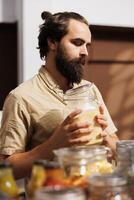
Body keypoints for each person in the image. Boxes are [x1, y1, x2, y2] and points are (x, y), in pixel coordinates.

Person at [0, 11, 118, 179]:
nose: (85, 52)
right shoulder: (21, 97)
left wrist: (107, 139)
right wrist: (53, 145)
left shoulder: (90, 90)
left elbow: (115, 145)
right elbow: (5, 170)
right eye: (77, 43)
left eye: (87, 45)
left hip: (96, 190)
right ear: (52, 42)